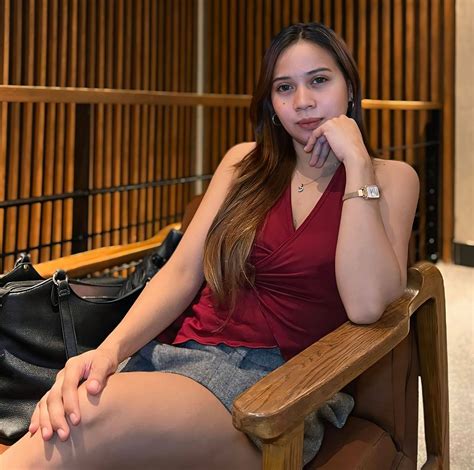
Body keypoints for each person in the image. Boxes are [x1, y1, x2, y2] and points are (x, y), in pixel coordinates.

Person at [1, 22, 419, 469]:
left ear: (350, 88)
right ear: (271, 104)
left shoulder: (391, 178)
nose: (302, 101)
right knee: (70, 418)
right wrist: (107, 351)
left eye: (319, 80)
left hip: (277, 389)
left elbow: (366, 305)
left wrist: (357, 164)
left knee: (79, 418)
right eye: (284, 87)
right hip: (179, 355)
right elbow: (181, 273)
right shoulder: (244, 163)